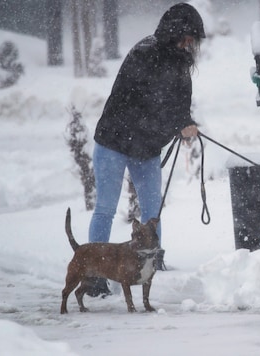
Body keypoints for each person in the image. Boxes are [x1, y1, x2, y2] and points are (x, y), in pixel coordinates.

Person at [86, 3, 205, 296]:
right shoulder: (144, 53)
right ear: (174, 31)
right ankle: (94, 274)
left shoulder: (181, 64)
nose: (190, 43)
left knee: (153, 211)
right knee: (105, 209)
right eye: (187, 35)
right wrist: (173, 123)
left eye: (193, 38)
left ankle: (153, 265)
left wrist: (186, 124)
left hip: (146, 147)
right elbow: (141, 102)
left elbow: (179, 106)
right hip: (114, 142)